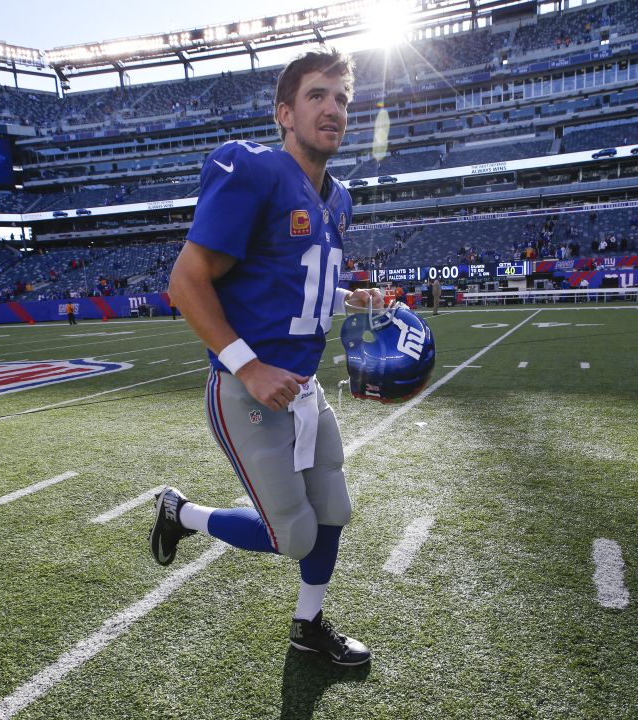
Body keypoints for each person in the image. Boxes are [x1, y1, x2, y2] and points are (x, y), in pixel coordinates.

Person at [151, 47, 377, 667]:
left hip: (303, 387)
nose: (332, 109)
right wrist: (248, 366)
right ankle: (182, 512)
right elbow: (186, 282)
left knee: (333, 510)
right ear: (284, 112)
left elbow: (292, 280)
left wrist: (347, 294)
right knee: (293, 534)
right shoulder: (251, 170)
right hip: (246, 390)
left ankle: (309, 627)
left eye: (342, 100)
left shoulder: (340, 198)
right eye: (317, 96)